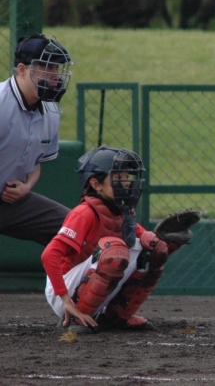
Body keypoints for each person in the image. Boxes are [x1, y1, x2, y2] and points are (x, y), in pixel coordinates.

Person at [41, 146, 188, 333]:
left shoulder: (121, 212)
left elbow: (150, 253)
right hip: (63, 290)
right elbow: (49, 255)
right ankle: (76, 319)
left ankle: (116, 316)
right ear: (96, 184)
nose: (126, 183)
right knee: (115, 251)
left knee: (153, 246)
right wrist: (65, 300)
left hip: (87, 282)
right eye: (118, 177)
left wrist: (168, 245)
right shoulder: (84, 212)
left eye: (127, 177)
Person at [0, 34, 73, 247]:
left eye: (57, 68)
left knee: (76, 229)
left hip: (10, 202)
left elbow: (35, 164)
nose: (55, 76)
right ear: (22, 70)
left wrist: (27, 187)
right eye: (47, 68)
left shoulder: (51, 112)